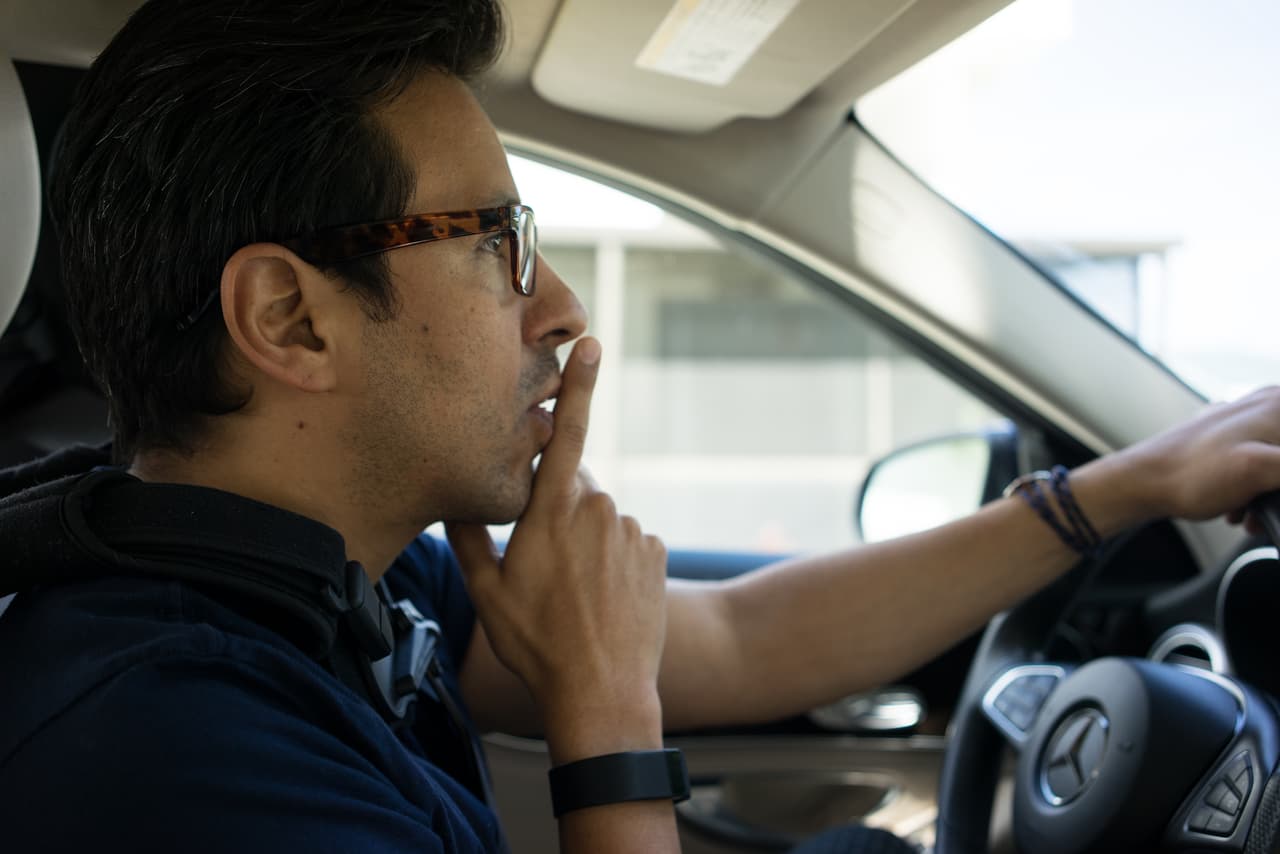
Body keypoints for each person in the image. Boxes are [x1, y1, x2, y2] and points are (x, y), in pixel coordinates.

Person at [2, 1, 1280, 852]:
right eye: (495, 244)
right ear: (291, 317)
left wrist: (1122, 485)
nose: (557, 308)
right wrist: (606, 714)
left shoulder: (314, 578)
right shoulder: (175, 756)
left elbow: (745, 633)